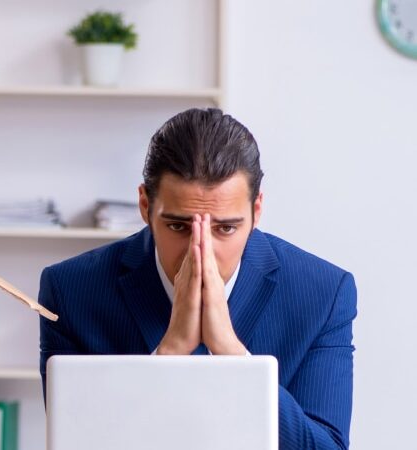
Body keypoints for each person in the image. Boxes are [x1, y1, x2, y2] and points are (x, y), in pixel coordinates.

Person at [38, 108, 356, 449]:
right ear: (145, 205)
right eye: (178, 226)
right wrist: (170, 354)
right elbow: (79, 442)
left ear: (257, 210)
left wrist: (233, 357)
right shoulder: (70, 291)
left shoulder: (323, 293)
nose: (200, 250)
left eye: (225, 228)